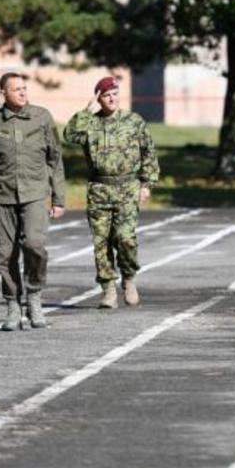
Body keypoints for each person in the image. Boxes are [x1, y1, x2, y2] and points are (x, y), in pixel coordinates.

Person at [0, 73, 65, 330]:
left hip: (35, 195)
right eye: (16, 89)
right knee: (5, 254)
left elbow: (55, 159)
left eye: (25, 88)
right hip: (3, 198)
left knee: (35, 245)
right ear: (3, 93)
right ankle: (13, 304)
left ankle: (34, 295)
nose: (23, 93)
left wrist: (58, 197)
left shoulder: (42, 117)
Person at [63, 76, 160, 309]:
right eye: (106, 95)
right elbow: (69, 135)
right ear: (99, 98)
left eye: (115, 93)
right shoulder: (90, 123)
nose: (112, 98)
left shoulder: (133, 121)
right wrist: (87, 111)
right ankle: (108, 289)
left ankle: (129, 278)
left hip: (128, 188)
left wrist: (147, 184)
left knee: (125, 238)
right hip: (99, 189)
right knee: (101, 242)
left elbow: (149, 152)